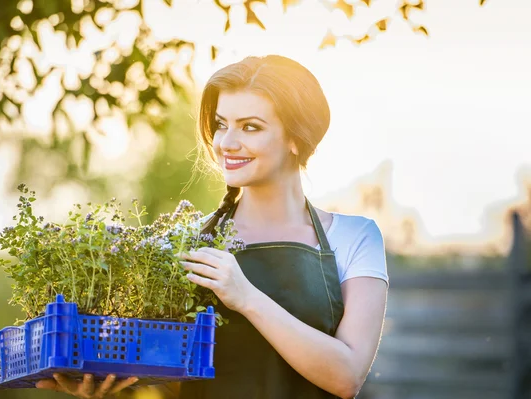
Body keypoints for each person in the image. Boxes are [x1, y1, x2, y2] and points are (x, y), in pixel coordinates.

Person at [36, 54, 388, 399]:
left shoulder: (354, 238)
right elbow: (168, 376)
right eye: (222, 124)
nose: (227, 143)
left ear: (297, 137)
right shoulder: (183, 242)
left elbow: (347, 376)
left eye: (250, 126)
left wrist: (246, 297)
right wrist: (102, 381)